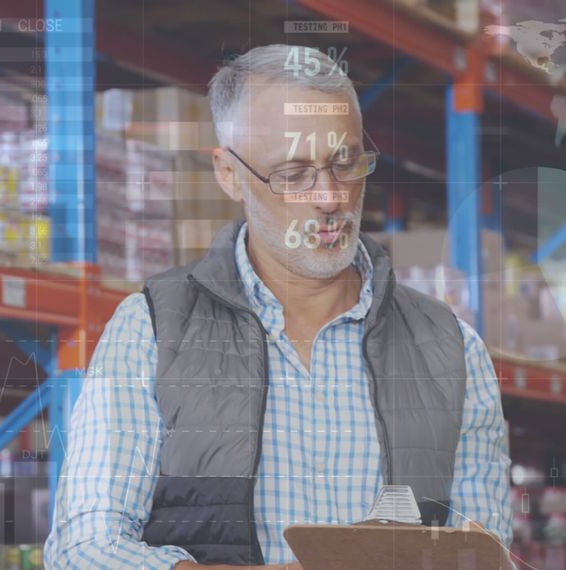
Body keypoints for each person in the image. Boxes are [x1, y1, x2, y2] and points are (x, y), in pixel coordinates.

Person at [44, 44, 512, 569]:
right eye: (293, 174)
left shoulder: (452, 350)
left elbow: (485, 553)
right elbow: (83, 546)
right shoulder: (152, 330)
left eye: (345, 162)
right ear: (229, 174)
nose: (330, 197)